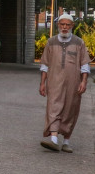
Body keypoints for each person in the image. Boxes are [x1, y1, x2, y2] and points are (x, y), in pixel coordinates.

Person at [38, 13, 90, 152]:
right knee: (53, 107)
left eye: (67, 25)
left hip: (73, 83)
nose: (65, 27)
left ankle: (66, 141)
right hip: (54, 82)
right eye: (62, 24)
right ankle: (54, 139)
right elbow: (45, 64)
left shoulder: (79, 43)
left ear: (72, 26)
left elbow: (85, 65)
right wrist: (42, 83)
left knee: (70, 109)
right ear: (58, 25)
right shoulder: (51, 42)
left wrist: (83, 81)